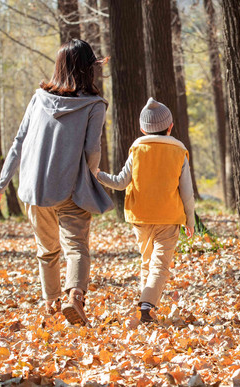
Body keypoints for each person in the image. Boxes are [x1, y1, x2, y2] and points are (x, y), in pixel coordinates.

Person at [0, 39, 114, 326]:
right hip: (70, 188)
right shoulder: (94, 104)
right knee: (76, 247)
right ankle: (75, 298)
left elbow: (19, 142)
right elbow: (93, 150)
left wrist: (1, 184)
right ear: (88, 70)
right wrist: (91, 175)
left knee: (47, 250)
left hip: (34, 189)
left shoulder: (38, 99)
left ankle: (52, 303)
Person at [95, 98, 195, 324]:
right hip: (169, 217)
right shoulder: (179, 151)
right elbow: (187, 192)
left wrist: (99, 174)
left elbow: (120, 182)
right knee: (160, 264)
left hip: (140, 216)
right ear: (170, 127)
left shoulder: (137, 149)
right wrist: (190, 219)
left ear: (142, 128)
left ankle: (146, 307)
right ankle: (148, 305)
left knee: (147, 261)